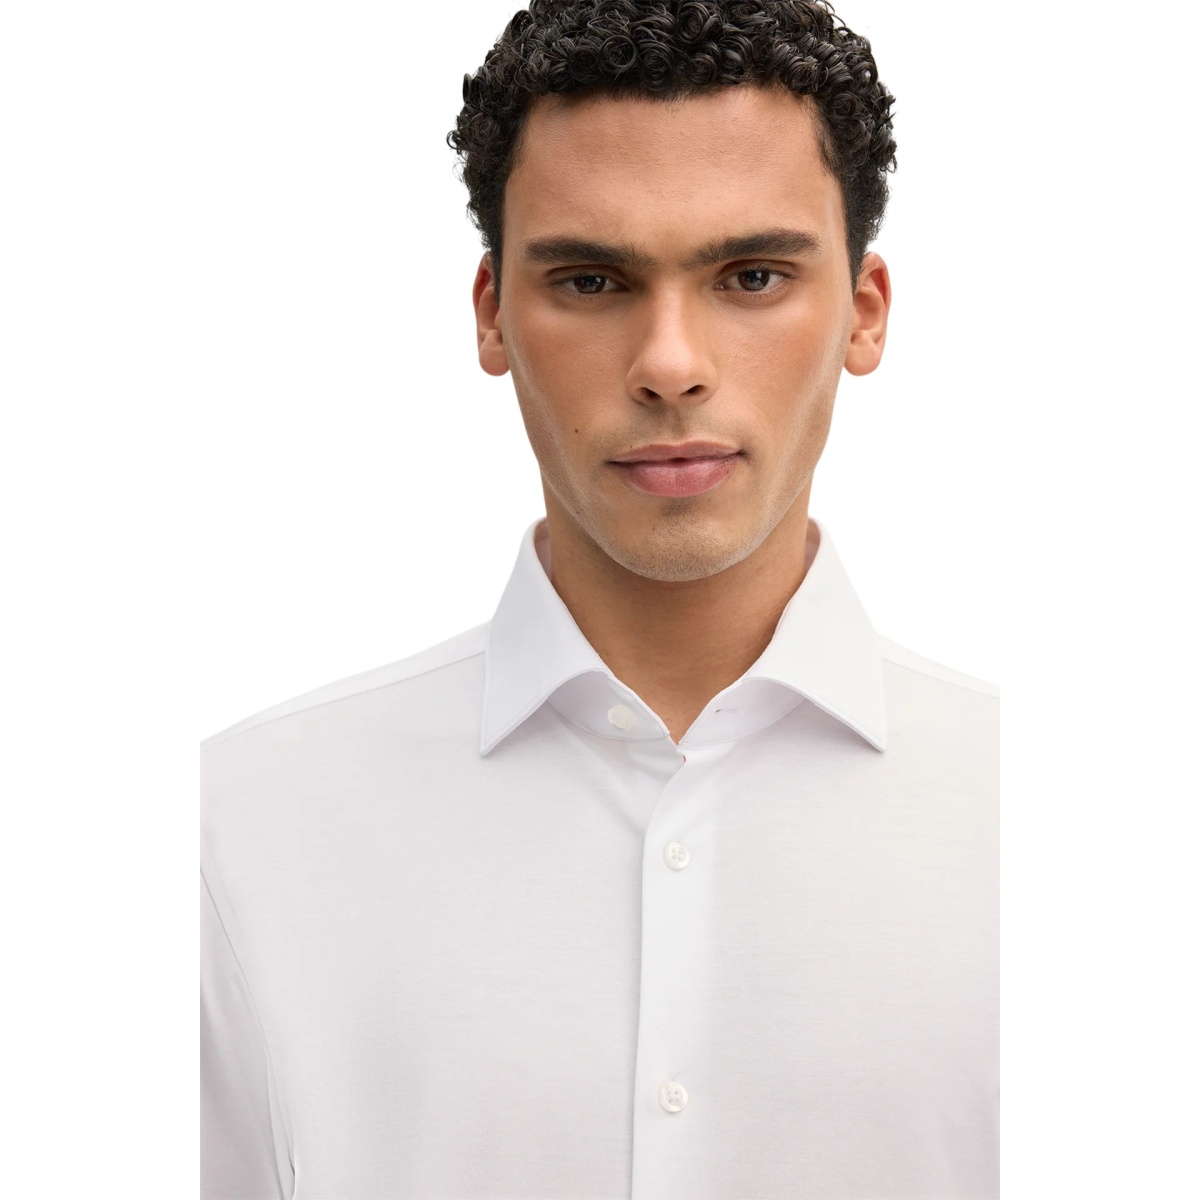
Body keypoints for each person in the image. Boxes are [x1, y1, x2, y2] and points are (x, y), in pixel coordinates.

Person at [200, 1, 998, 1197]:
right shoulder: (237, 833)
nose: (670, 363)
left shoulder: (1062, 832)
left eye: (752, 275)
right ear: (492, 314)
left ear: (864, 311)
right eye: (590, 278)